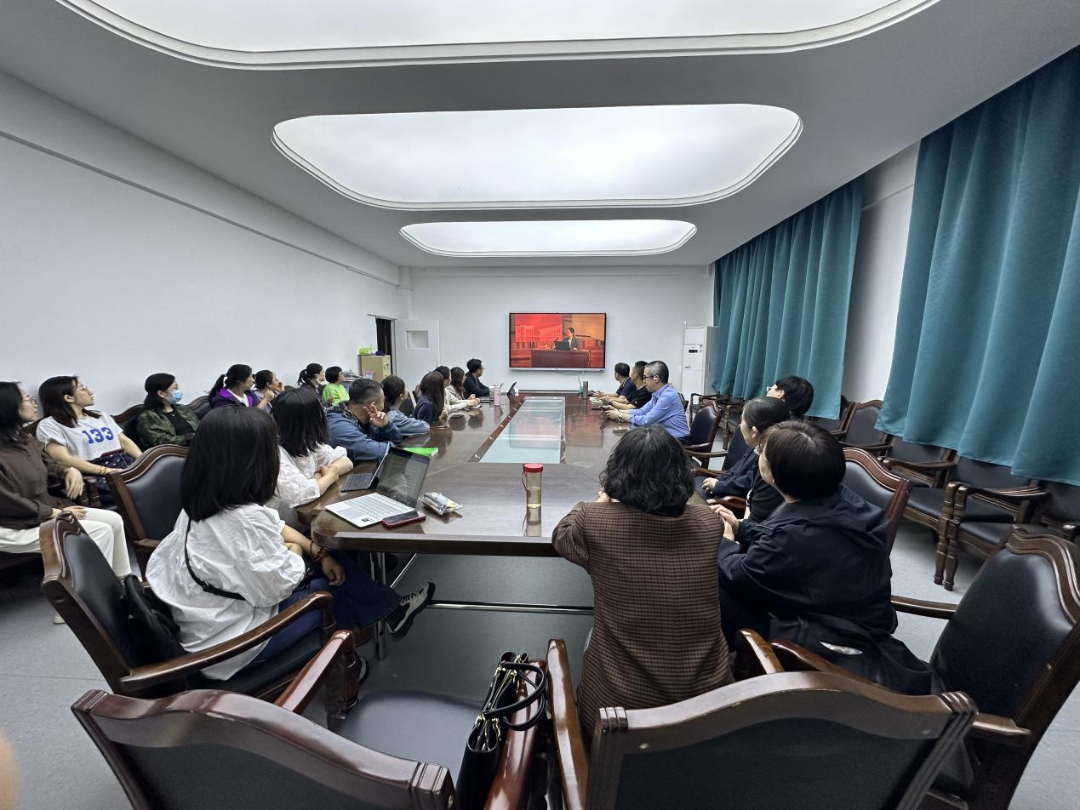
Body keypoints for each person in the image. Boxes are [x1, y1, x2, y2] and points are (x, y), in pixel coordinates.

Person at [145, 407, 434, 681]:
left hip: (211, 619)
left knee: (330, 558)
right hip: (232, 646)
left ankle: (390, 612)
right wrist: (296, 551)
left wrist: (316, 551)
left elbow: (275, 524)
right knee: (334, 593)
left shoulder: (203, 505)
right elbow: (280, 586)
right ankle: (345, 672)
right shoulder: (243, 519)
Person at [714, 421, 931, 694]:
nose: (758, 458)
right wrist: (742, 528)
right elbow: (792, 540)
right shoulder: (840, 499)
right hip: (846, 612)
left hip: (825, 634)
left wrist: (725, 542)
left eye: (761, 455)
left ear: (776, 476)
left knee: (710, 583)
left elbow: (741, 574)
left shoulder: (792, 535)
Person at [553, 426, 732, 737]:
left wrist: (601, 501)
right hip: (709, 714)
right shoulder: (708, 523)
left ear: (618, 473)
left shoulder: (595, 522)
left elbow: (562, 535)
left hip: (618, 719)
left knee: (590, 638)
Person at [0, 382, 132, 623]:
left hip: (41, 512)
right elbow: (6, 502)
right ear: (8, 407)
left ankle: (122, 583)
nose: (34, 404)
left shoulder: (22, 439)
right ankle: (81, 603)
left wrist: (69, 470)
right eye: (27, 399)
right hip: (11, 526)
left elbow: (48, 464)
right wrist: (52, 513)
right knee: (98, 531)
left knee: (113, 520)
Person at [268, 388, 354, 529]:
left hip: (309, 522)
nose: (325, 415)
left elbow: (346, 462)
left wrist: (324, 474)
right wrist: (330, 476)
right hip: (285, 530)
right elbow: (301, 494)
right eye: (321, 412)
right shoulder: (274, 452)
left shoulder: (306, 442)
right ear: (307, 420)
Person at [699, 397, 789, 522]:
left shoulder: (770, 463)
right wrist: (719, 481)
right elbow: (736, 469)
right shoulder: (757, 445)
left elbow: (756, 522)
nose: (740, 425)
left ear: (754, 432)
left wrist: (719, 486)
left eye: (742, 420)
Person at [37, 376, 142, 478]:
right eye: (82, 388)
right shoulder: (49, 425)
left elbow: (124, 442)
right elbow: (62, 459)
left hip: (125, 463)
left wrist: (142, 463)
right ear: (69, 398)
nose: (90, 392)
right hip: (94, 473)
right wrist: (105, 471)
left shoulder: (101, 416)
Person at [604, 361, 689, 440]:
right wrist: (617, 411)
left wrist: (620, 415)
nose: (644, 381)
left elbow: (646, 421)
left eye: (645, 377)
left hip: (678, 440)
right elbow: (641, 411)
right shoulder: (657, 394)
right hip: (665, 436)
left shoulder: (668, 396)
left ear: (656, 378)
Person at [326, 379, 402, 464]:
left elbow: (397, 440)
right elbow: (383, 452)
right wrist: (389, 443)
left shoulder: (364, 417)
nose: (384, 405)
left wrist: (386, 426)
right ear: (372, 406)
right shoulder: (341, 428)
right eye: (383, 401)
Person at [136, 373, 200, 448]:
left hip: (198, 446)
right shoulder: (148, 417)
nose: (178, 391)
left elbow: (199, 426)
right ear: (161, 393)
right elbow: (161, 441)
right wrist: (188, 437)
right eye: (175, 388)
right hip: (175, 452)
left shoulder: (182, 408)